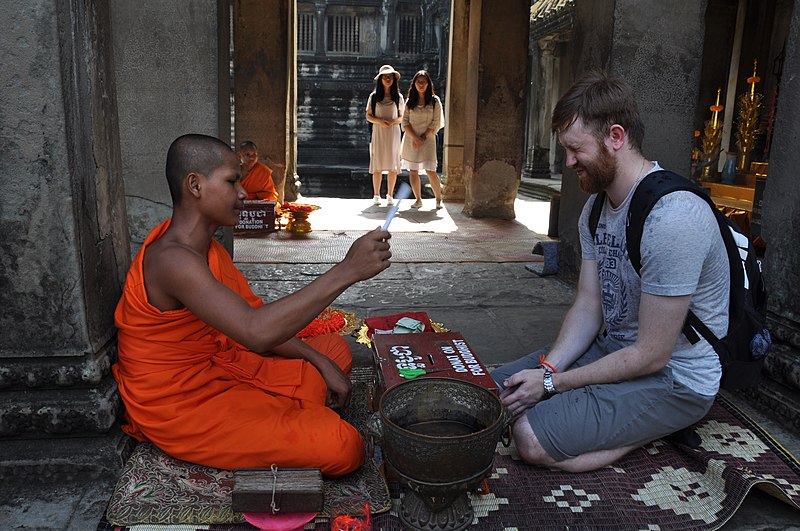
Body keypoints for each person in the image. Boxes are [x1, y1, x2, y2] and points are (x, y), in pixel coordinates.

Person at [112, 134, 392, 477]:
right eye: (232, 182)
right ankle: (297, 418)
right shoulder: (172, 260)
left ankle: (294, 411)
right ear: (195, 186)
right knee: (344, 446)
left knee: (334, 350)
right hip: (184, 404)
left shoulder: (210, 251)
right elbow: (256, 332)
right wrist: (347, 271)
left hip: (225, 364)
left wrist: (319, 360)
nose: (244, 193)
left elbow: (256, 321)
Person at [491, 71, 729, 472]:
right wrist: (548, 369)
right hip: (615, 350)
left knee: (530, 437)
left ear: (615, 137)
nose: (567, 162)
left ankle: (647, 430)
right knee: (493, 392)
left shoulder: (673, 218)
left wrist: (551, 386)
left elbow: (652, 355)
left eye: (575, 149)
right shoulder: (596, 209)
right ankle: (603, 416)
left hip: (676, 376)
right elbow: (588, 307)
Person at [401, 70, 444, 209]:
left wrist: (423, 137)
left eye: (423, 82)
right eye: (418, 82)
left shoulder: (434, 101)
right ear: (414, 84)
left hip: (428, 139)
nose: (421, 84)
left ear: (428, 84)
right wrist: (415, 138)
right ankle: (418, 199)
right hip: (411, 140)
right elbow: (405, 122)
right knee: (413, 171)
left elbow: (436, 122)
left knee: (430, 170)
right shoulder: (409, 102)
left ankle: (438, 199)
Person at [366, 65, 404, 207]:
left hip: (393, 131)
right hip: (379, 131)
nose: (388, 79)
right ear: (380, 79)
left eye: (390, 77)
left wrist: (392, 122)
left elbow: (402, 117)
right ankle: (376, 194)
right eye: (385, 77)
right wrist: (380, 121)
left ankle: (390, 194)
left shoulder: (398, 97)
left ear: (394, 79)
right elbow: (368, 116)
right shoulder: (374, 97)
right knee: (377, 163)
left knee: (393, 163)